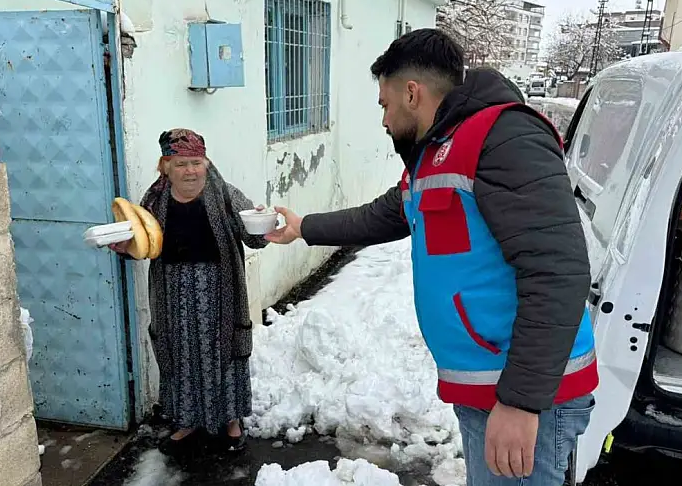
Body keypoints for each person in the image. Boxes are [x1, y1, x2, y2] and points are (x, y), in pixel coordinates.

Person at [265, 29, 599, 485]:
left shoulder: (504, 136)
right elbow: (383, 215)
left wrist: (522, 401)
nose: (383, 119)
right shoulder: (436, 155)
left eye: (384, 104)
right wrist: (303, 227)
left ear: (411, 92)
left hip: (529, 395)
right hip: (488, 388)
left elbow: (558, 270)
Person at [110, 128, 268, 454]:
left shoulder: (224, 194)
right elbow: (141, 245)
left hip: (220, 292)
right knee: (181, 356)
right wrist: (124, 246)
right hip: (173, 293)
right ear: (165, 165)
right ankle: (187, 420)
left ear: (206, 164)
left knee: (224, 354)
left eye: (196, 162)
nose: (190, 170)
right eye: (181, 163)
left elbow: (253, 235)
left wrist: (262, 222)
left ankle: (231, 421)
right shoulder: (154, 200)